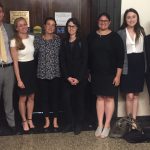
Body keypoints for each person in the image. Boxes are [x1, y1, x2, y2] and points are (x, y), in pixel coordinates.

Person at [88, 12, 124, 138]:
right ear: (98, 22)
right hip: (96, 74)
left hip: (111, 74)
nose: (103, 23)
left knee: (109, 98)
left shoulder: (115, 37)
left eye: (105, 21)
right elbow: (88, 57)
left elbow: (121, 59)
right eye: (101, 21)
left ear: (109, 22)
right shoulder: (91, 36)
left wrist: (118, 76)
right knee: (99, 98)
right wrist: (89, 72)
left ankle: (107, 125)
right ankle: (99, 124)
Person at [118, 8, 146, 126]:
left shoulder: (141, 30)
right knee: (129, 95)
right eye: (128, 17)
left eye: (133, 16)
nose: (131, 19)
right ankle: (129, 121)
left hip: (139, 64)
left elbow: (144, 51)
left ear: (137, 18)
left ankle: (134, 121)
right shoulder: (120, 32)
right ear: (125, 19)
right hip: (127, 64)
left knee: (135, 95)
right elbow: (119, 52)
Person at [60, 18, 88, 135]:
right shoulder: (64, 41)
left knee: (79, 101)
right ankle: (69, 123)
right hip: (67, 78)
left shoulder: (82, 41)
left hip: (80, 78)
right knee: (67, 101)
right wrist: (67, 77)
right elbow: (62, 61)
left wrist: (78, 78)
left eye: (73, 26)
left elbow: (85, 61)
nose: (71, 28)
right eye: (69, 26)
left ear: (77, 28)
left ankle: (78, 124)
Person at [34, 17, 61, 132]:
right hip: (42, 74)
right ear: (44, 26)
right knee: (44, 98)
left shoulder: (58, 40)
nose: (50, 27)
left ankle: (55, 119)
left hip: (55, 73)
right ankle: (47, 120)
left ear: (55, 27)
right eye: (48, 24)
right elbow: (34, 55)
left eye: (53, 25)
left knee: (55, 98)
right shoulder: (38, 40)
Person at [10, 17, 36, 132]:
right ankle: (24, 120)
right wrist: (19, 79)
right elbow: (15, 63)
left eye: (25, 24)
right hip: (21, 70)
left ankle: (30, 119)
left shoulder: (32, 38)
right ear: (16, 28)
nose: (23, 27)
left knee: (31, 96)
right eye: (20, 25)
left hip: (32, 69)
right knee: (23, 97)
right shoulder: (14, 41)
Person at [0, 3, 16, 134]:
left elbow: (16, 43)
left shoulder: (8, 28)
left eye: (0, 11)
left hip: (9, 68)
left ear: (3, 13)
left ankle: (12, 124)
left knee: (8, 98)